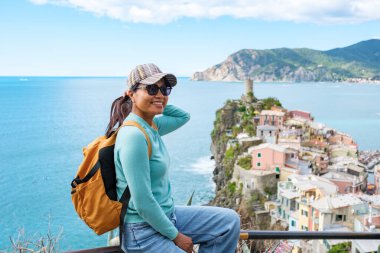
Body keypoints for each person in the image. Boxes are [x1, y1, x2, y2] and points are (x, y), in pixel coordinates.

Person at [106, 63, 240, 253]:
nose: (160, 93)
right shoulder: (133, 135)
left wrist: (158, 101)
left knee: (229, 222)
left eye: (164, 88)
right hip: (142, 231)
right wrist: (176, 237)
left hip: (167, 216)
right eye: (151, 88)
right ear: (131, 94)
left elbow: (183, 117)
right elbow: (143, 203)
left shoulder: (152, 126)